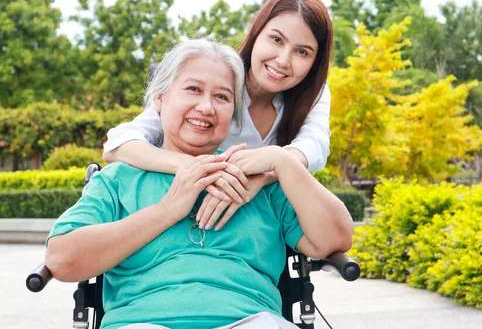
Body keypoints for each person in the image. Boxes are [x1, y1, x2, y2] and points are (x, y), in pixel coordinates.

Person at [45, 39, 354, 329]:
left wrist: (283, 160)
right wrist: (168, 209)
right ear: (160, 99)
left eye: (221, 96)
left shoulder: (257, 180)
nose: (207, 107)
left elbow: (335, 239)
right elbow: (61, 261)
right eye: (193, 89)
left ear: (233, 114)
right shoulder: (119, 180)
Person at [104, 0, 333, 230]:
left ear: (315, 61)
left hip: (259, 227)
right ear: (256, 34)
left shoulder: (313, 93)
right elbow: (119, 143)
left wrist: (265, 174)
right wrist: (195, 167)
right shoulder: (218, 78)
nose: (283, 60)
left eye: (302, 52)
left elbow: (314, 147)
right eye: (276, 40)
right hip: (186, 214)